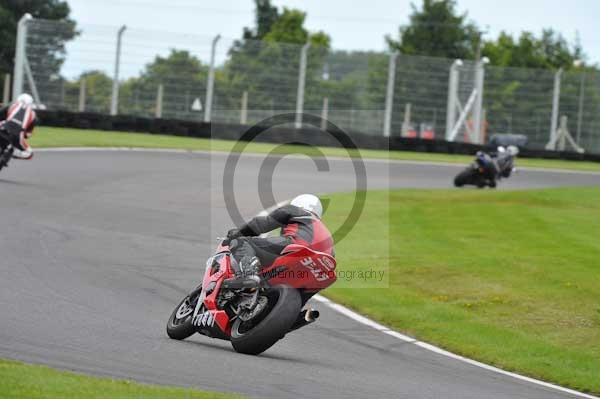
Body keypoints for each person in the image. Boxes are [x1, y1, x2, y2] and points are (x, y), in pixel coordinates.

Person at [224, 194, 334, 288]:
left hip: (296, 245)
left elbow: (261, 224)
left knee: (242, 242)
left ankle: (248, 274)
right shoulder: (327, 234)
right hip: (322, 267)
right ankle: (301, 313)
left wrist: (238, 233)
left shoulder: (297, 210)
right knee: (304, 291)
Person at [0, 93, 37, 160]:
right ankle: (13, 153)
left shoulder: (12, 105)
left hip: (4, 128)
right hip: (17, 136)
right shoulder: (33, 114)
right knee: (30, 154)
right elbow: (28, 134)